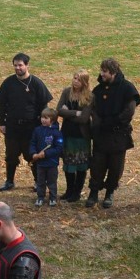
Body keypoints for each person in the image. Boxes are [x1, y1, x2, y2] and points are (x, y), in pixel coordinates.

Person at [87, 58, 140, 209]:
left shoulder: (127, 88)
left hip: (118, 135)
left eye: (105, 71)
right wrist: (98, 123)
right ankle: (93, 192)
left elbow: (129, 111)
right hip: (101, 135)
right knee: (97, 164)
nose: (102, 74)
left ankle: (109, 192)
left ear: (113, 72)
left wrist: (113, 122)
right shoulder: (98, 90)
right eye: (101, 70)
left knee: (115, 165)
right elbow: (93, 109)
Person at [0, 53, 52, 192]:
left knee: (32, 155)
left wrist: (43, 125)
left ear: (27, 65)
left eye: (20, 65)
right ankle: (9, 181)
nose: (17, 68)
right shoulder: (9, 83)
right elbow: (2, 104)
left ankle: (38, 182)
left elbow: (44, 105)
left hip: (31, 127)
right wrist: (2, 122)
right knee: (11, 155)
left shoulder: (36, 83)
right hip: (13, 127)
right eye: (15, 65)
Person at [56, 70, 93, 202]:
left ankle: (77, 192)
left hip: (82, 136)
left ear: (84, 82)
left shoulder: (89, 96)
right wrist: (76, 113)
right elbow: (59, 110)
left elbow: (84, 119)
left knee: (81, 165)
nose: (75, 81)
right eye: (74, 78)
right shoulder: (67, 92)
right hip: (68, 133)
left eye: (78, 79)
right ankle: (69, 190)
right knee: (68, 164)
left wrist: (69, 113)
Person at [29, 107, 63, 206]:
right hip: (40, 163)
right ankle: (40, 197)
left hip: (52, 163)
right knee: (40, 181)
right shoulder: (37, 130)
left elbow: (59, 148)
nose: (43, 119)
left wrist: (46, 154)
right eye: (42, 117)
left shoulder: (57, 133)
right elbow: (33, 143)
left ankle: (52, 198)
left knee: (52, 182)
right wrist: (33, 153)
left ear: (52, 120)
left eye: (46, 118)